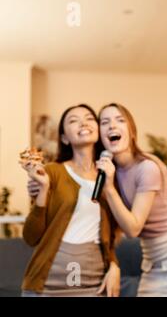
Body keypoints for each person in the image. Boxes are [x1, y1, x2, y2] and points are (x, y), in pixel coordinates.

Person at [96, 103, 167, 296]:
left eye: (120, 120)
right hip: (151, 262)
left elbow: (133, 228)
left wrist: (108, 188)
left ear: (131, 131)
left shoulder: (147, 167)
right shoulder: (110, 172)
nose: (112, 126)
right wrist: (111, 263)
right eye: (105, 122)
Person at [22, 104, 120, 297]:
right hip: (48, 283)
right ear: (65, 138)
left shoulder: (110, 175)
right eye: (73, 120)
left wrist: (114, 265)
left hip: (94, 282)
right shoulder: (51, 172)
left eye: (89, 118)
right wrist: (42, 190)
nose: (83, 122)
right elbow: (30, 237)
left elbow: (113, 232)